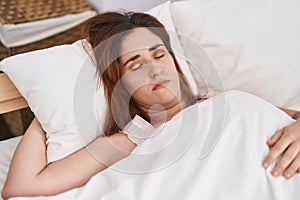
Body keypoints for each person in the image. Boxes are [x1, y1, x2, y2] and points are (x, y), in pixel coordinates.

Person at [2, 11, 300, 199]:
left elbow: (278, 120)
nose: (155, 69)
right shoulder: (130, 138)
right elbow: (21, 188)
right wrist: (47, 109)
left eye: (159, 55)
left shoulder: (225, 103)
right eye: (135, 64)